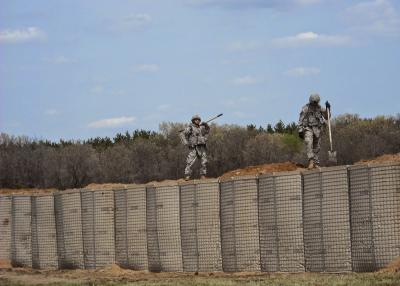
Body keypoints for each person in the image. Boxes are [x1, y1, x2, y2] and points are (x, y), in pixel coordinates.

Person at [298, 94, 331, 169]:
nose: (315, 104)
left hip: (317, 129)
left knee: (317, 146)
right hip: (308, 128)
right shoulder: (306, 108)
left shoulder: (320, 108)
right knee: (308, 142)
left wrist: (328, 109)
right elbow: (301, 119)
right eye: (313, 102)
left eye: (316, 102)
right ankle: (311, 161)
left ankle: (315, 162)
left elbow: (327, 117)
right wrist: (300, 130)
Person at [180, 114, 210, 180]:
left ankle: (203, 175)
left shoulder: (201, 128)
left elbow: (207, 132)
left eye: (199, 120)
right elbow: (182, 134)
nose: (198, 121)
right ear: (193, 121)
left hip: (202, 147)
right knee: (190, 162)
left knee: (204, 162)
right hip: (194, 147)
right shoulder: (190, 128)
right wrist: (186, 143)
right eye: (196, 120)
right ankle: (187, 175)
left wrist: (207, 126)